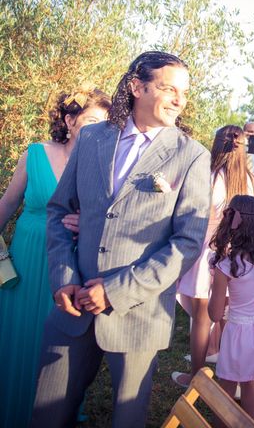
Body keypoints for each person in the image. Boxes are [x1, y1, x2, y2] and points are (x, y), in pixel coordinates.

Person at [30, 51, 211, 428]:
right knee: (47, 417)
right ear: (136, 87)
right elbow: (59, 212)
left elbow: (188, 243)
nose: (179, 100)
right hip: (73, 306)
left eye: (184, 92)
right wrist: (64, 279)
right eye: (168, 89)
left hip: (138, 314)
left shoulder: (191, 156)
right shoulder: (93, 138)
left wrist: (116, 291)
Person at [0, 86, 109, 427]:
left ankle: (50, 410)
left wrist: (89, 223)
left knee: (55, 344)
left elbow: (111, 219)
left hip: (68, 265)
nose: (96, 129)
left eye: (103, 123)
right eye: (90, 120)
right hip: (27, 258)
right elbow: (7, 203)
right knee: (18, 336)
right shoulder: (35, 154)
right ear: (70, 120)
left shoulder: (104, 167)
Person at [173, 125, 254, 387]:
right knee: (227, 314)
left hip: (208, 249)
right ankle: (230, 375)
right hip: (238, 254)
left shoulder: (209, 177)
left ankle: (196, 377)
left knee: (202, 317)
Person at [208, 195, 254, 419]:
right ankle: (248, 422)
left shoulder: (226, 265)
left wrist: (214, 284)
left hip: (240, 333)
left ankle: (221, 423)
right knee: (249, 380)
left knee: (227, 384)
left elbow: (214, 313)